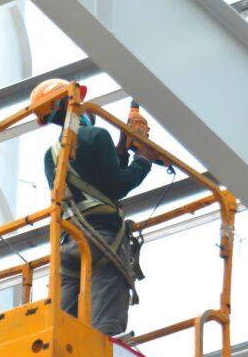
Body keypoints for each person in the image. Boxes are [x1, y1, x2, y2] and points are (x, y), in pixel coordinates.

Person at [31, 79, 158, 336]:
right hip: (102, 239)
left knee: (65, 328)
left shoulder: (50, 155)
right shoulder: (98, 135)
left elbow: (92, 183)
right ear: (73, 103)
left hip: (68, 244)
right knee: (105, 328)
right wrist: (144, 158)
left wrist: (121, 149)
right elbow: (117, 185)